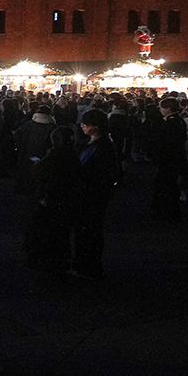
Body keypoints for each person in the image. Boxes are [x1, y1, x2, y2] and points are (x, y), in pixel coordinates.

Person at [71, 109, 121, 280]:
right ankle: (84, 264)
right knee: (86, 230)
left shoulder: (102, 147)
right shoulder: (93, 143)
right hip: (89, 193)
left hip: (93, 195)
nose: (82, 126)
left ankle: (88, 266)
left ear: (95, 126)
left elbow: (103, 174)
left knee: (89, 230)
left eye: (86, 124)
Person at [24, 128, 78, 275]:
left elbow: (39, 173)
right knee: (62, 233)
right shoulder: (74, 153)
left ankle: (47, 261)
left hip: (51, 197)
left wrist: (38, 164)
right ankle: (61, 261)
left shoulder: (55, 154)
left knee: (47, 230)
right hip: (67, 198)